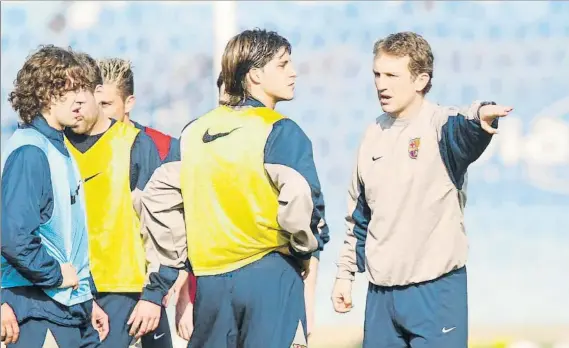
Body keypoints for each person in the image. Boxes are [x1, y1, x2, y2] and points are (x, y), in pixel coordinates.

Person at [139, 28, 330, 347]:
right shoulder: (279, 130)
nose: (293, 72)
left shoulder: (194, 132)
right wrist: (303, 247)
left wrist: (177, 260)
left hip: (211, 280)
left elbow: (157, 199)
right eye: (283, 64)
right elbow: (303, 199)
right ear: (254, 75)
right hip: (270, 273)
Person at [331, 31, 513, 348]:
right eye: (377, 74)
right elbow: (359, 216)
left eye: (391, 75)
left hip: (437, 292)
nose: (381, 84)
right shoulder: (372, 134)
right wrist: (344, 275)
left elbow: (468, 128)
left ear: (420, 80)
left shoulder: (441, 126)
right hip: (381, 296)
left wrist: (482, 114)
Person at [62, 51, 180, 348]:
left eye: (104, 103)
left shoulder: (139, 146)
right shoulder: (55, 147)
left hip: (129, 293)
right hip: (72, 292)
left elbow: (162, 228)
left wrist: (155, 292)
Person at [1, 45, 108, 347]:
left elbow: (66, 236)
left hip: (69, 306)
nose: (78, 99)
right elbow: (13, 238)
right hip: (39, 308)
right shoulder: (31, 151)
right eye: (67, 89)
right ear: (43, 93)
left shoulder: (57, 148)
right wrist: (56, 277)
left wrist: (85, 297)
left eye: (81, 89)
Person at [96, 57, 180, 164]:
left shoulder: (165, 150)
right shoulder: (73, 149)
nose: (96, 112)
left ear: (128, 104)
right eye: (93, 105)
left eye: (105, 104)